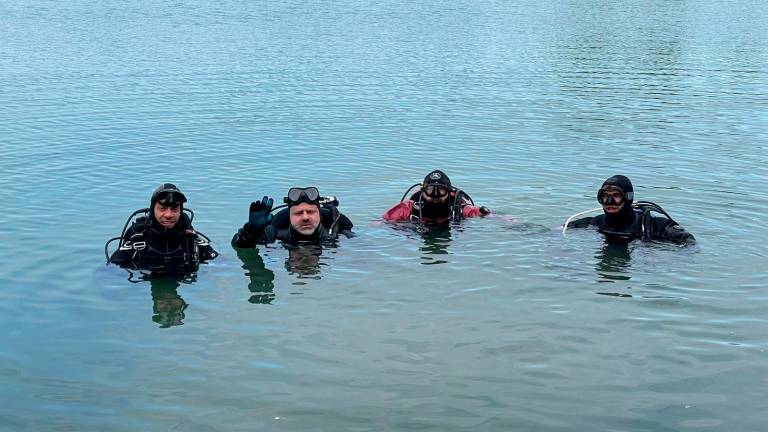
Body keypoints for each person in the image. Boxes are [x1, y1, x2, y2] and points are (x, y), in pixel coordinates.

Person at [107, 183, 218, 276]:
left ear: (181, 211)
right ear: (153, 210)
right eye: (162, 208)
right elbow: (108, 273)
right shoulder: (137, 239)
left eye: (174, 209)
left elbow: (221, 264)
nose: (168, 215)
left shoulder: (190, 239)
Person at [565, 175, 695, 245]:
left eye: (616, 196)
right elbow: (562, 229)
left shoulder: (654, 226)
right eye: (605, 196)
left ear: (628, 198)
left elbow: (689, 242)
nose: (609, 202)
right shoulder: (595, 223)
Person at [231, 186, 354, 247]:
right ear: (289, 217)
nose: (305, 217)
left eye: (310, 212)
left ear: (320, 215)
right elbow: (238, 246)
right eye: (298, 213)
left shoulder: (339, 234)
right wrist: (251, 231)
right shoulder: (276, 236)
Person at [383, 169, 490, 223]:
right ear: (423, 192)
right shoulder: (408, 208)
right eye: (430, 190)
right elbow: (382, 223)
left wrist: (490, 215)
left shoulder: (459, 208)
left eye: (441, 190)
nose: (435, 195)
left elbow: (479, 213)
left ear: (448, 192)